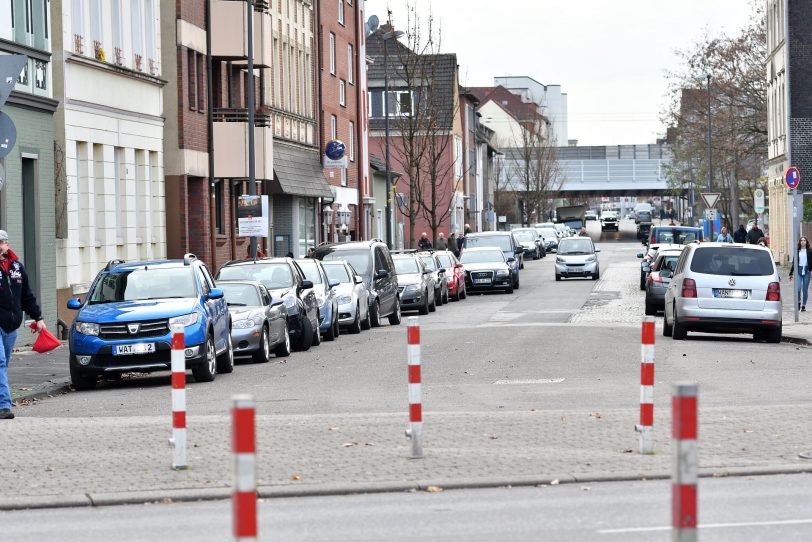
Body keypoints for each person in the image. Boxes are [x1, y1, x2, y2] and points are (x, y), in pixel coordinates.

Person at [0, 230, 46, 420]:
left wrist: (38, 317)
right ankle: (4, 405)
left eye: (2, 242)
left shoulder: (17, 267)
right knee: (0, 362)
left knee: (4, 364)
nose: (0, 246)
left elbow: (27, 295)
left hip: (12, 326)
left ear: (7, 245)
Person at [789, 236, 811, 312]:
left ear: (806, 242)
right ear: (800, 242)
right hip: (798, 270)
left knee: (805, 290)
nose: (802, 242)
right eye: (801, 240)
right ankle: (798, 302)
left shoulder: (810, 251)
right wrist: (791, 273)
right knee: (798, 288)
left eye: (804, 240)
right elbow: (794, 263)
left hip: (807, 271)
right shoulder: (797, 251)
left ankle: (803, 305)